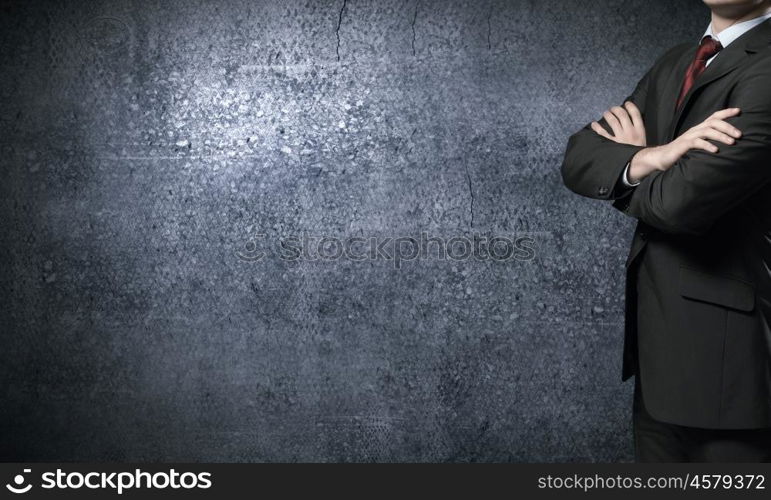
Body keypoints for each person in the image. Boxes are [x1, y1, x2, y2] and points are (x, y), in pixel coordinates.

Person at [561, 0, 771, 462]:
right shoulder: (677, 61)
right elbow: (579, 156)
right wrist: (654, 157)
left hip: (731, 373)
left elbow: (680, 205)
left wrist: (632, 166)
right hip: (661, 364)